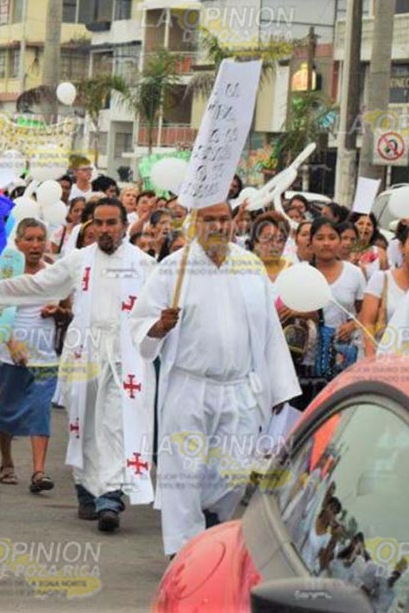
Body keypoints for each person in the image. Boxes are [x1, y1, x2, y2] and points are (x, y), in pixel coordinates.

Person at [129, 201, 300, 557]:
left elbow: (269, 331)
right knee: (184, 471)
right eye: (210, 219)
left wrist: (280, 386)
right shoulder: (173, 269)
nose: (219, 226)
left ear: (234, 221)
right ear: (196, 222)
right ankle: (183, 548)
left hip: (240, 387)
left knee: (235, 471)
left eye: (224, 219)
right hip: (189, 386)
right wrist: (159, 326)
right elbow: (139, 322)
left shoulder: (250, 266)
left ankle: (209, 518)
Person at [0, 199, 155, 533]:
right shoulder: (78, 261)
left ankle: (111, 497)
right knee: (84, 421)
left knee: (115, 423)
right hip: (84, 354)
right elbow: (37, 285)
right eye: (99, 223)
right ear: (91, 227)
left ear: (123, 225)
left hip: (124, 357)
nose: (105, 229)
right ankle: (87, 490)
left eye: (112, 223)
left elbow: (157, 310)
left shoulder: (144, 265)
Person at [0, 219, 63, 493]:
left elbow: (70, 313)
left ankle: (39, 472)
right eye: (29, 239)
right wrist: (10, 342)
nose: (35, 245)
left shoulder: (54, 275)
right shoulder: (4, 274)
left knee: (41, 413)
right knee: (4, 413)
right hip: (8, 357)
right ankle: (6, 462)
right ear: (17, 244)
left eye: (40, 239)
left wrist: (59, 313)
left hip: (45, 359)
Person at [359, 225, 409, 357]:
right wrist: (371, 358)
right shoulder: (381, 279)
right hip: (382, 359)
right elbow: (367, 323)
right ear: (402, 248)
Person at [309, 219, 367, 362]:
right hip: (305, 354)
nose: (326, 243)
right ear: (310, 243)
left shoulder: (355, 273)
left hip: (341, 354)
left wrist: (353, 325)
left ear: (339, 241)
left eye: (332, 237)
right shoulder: (302, 273)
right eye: (320, 238)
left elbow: (365, 312)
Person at [248, 212, 292, 282]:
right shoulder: (244, 272)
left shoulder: (292, 272)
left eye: (280, 240)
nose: (274, 245)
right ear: (256, 242)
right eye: (268, 239)